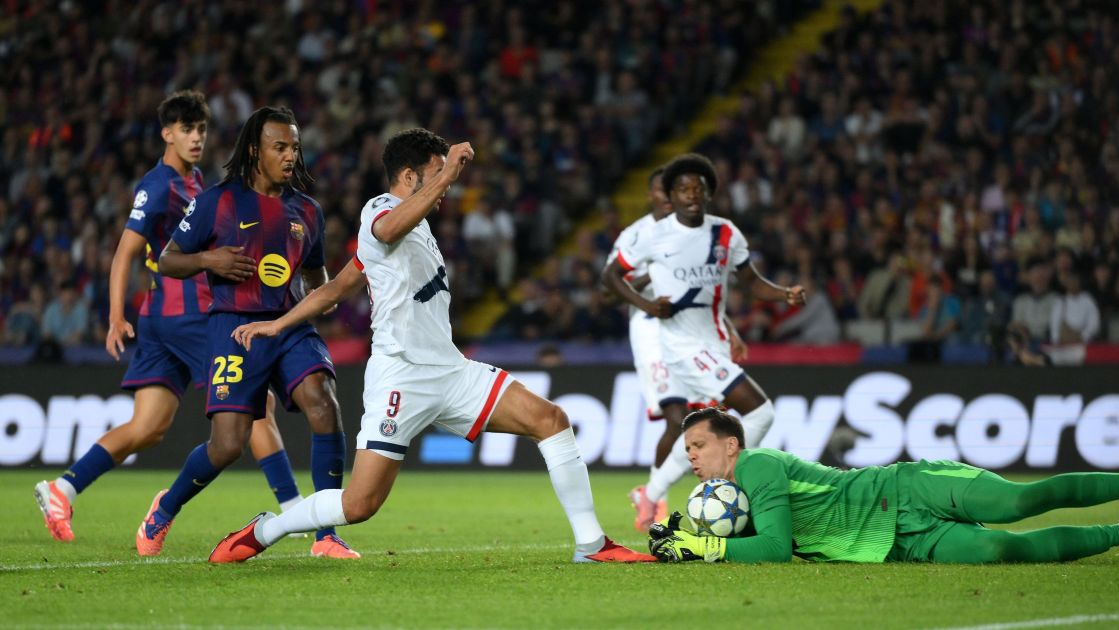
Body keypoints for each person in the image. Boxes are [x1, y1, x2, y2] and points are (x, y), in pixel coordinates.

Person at [208, 128, 654, 564]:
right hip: (401, 375)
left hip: (450, 371)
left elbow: (337, 287)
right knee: (359, 504)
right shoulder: (380, 210)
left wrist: (279, 322)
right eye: (437, 174)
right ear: (408, 176)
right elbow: (385, 232)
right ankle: (266, 529)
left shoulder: (418, 227)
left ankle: (591, 545)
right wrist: (277, 326)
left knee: (551, 419)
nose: (448, 186)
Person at [33, 91, 303, 543]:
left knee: (148, 427)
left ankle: (63, 488)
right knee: (256, 401)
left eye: (201, 129)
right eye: (186, 130)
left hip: (162, 318)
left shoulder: (194, 181)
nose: (196, 138)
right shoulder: (158, 186)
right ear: (167, 134)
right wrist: (115, 315)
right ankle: (295, 510)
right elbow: (125, 252)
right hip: (189, 315)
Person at [136, 106, 356, 559]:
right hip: (234, 328)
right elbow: (168, 259)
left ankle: (327, 535)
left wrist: (326, 294)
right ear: (255, 151)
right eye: (280, 147)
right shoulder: (217, 202)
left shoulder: (307, 210)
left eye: (295, 147)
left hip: (287, 325)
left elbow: (315, 273)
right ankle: (165, 507)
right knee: (228, 444)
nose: (291, 155)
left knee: (323, 404)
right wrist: (208, 260)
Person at [648, 408, 1119, 564]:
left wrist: (703, 546)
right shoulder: (731, 497)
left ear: (731, 445)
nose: (690, 455)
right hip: (897, 543)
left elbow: (772, 549)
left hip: (905, 489)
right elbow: (757, 540)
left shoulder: (757, 466)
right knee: (1000, 550)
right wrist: (687, 538)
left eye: (697, 445)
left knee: (1019, 501)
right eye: (687, 449)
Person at [601, 153, 804, 534]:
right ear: (670, 195)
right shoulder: (650, 235)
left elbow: (750, 282)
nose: (692, 195)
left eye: (699, 188)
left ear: (708, 193)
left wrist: (784, 294)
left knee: (697, 431)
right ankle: (727, 482)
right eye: (683, 189)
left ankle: (651, 494)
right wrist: (648, 305)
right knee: (761, 413)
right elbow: (610, 278)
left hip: (714, 344)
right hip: (681, 348)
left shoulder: (726, 233)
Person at [607, 165, 747, 532]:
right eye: (663, 191)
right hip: (652, 331)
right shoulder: (637, 235)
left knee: (708, 416)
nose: (671, 198)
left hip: (693, 332)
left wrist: (729, 327)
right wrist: (653, 273)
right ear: (655, 195)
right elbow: (608, 291)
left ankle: (661, 491)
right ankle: (656, 497)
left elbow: (703, 288)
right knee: (676, 418)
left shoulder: (696, 234)